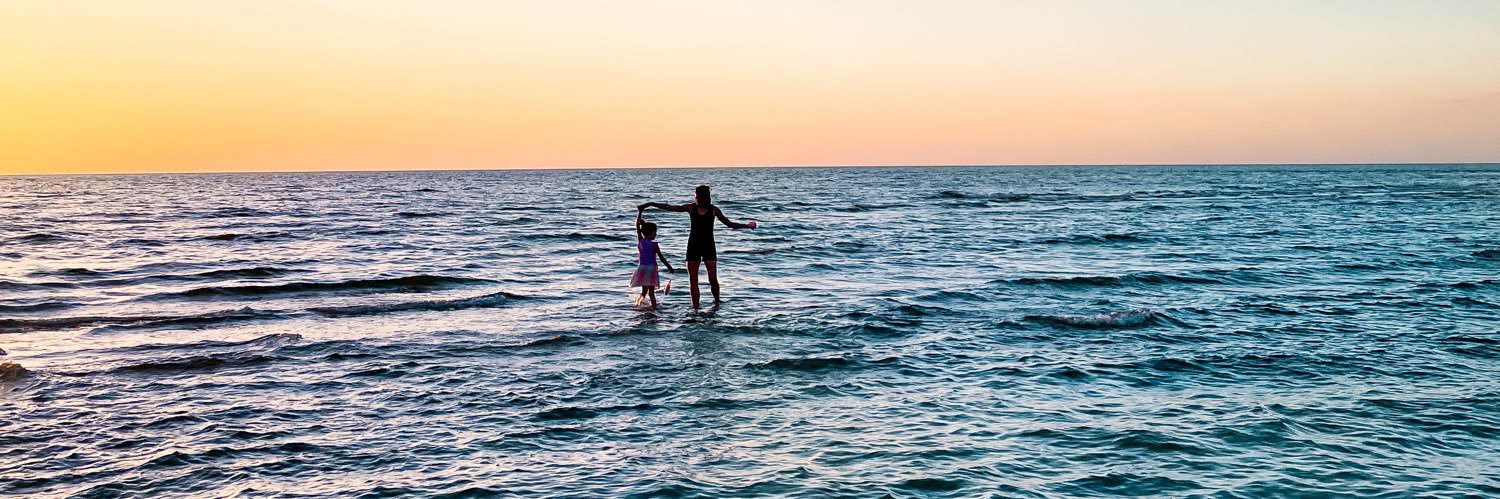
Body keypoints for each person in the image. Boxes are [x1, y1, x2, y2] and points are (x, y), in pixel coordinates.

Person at [638, 185, 755, 309]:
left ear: (705, 198)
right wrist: (651, 204)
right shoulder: (691, 208)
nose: (696, 199)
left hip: (709, 246)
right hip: (693, 246)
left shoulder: (714, 210)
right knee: (693, 280)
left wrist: (746, 226)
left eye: (698, 197)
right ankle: (696, 308)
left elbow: (729, 224)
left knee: (713, 279)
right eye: (695, 197)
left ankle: (717, 303)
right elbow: (672, 208)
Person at [631, 210, 675, 308]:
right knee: (651, 292)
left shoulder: (640, 241)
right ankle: (654, 308)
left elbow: (637, 227)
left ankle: (638, 304)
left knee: (644, 291)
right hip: (651, 270)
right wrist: (670, 268)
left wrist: (640, 212)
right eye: (655, 232)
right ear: (651, 233)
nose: (656, 234)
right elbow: (662, 258)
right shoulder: (654, 245)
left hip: (642, 269)